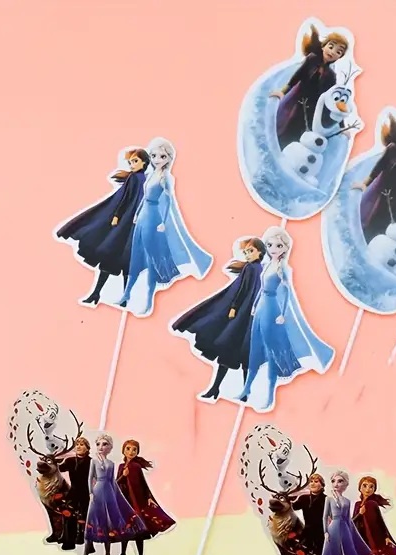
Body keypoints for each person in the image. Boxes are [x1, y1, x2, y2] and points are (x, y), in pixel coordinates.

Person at [239, 226, 334, 410]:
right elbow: (261, 288)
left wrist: (282, 314)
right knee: (254, 347)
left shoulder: (282, 268)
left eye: (278, 245)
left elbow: (287, 292)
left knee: (271, 351)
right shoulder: (267, 265)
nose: (273, 249)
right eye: (270, 245)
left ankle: (269, 395)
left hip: (271, 308)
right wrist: (254, 305)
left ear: (285, 248)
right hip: (261, 307)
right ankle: (246, 389)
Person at [118, 138, 212, 314]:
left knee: (151, 259)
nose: (156, 159)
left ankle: (148, 300)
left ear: (168, 158)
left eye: (162, 156)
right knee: (136, 255)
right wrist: (137, 213)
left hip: (153, 218)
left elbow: (168, 200)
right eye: (153, 155)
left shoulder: (165, 177)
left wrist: (163, 221)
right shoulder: (150, 175)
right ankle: (126, 294)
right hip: (143, 215)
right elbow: (144, 197)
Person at [171, 237, 265, 400]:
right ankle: (229, 390)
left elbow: (242, 290)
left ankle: (232, 390)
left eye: (251, 251)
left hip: (243, 317)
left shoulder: (252, 268)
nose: (248, 255)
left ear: (260, 252)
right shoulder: (258, 269)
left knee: (236, 351)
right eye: (245, 252)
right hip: (248, 317)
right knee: (238, 353)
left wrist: (234, 307)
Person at [56, 148, 150, 304]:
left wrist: (116, 215)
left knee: (115, 257)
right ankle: (111, 296)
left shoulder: (136, 179)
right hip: (131, 224)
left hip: (126, 224)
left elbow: (125, 200)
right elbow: (128, 199)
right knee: (123, 260)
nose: (132, 165)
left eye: (135, 161)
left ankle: (107, 295)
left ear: (144, 162)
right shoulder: (142, 179)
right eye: (130, 162)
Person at [271, 25, 349, 148]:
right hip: (295, 100)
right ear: (323, 46)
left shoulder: (331, 76)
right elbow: (296, 77)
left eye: (338, 52)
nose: (332, 52)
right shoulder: (311, 59)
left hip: (311, 110)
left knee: (300, 134)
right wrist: (283, 91)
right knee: (284, 126)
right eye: (331, 46)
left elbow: (332, 101)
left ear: (339, 57)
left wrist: (342, 127)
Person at [317, 470, 385, 555]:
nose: (336, 484)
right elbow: (325, 517)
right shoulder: (329, 499)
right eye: (334, 481)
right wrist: (325, 532)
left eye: (340, 481)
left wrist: (355, 536)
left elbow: (349, 520)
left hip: (345, 531)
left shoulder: (347, 501)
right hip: (332, 530)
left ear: (346, 484)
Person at [84, 433, 147, 555]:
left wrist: (117, 495)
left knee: (110, 522)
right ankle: (87, 550)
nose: (101, 447)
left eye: (105, 444)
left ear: (110, 447)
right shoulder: (94, 461)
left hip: (111, 493)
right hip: (98, 491)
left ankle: (109, 554)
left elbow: (114, 481)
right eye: (98, 444)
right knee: (94, 518)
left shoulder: (112, 464)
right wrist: (90, 492)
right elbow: (90, 478)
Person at [115, 439, 176, 555]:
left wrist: (148, 497)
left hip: (137, 502)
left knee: (139, 530)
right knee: (125, 529)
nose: (131, 452)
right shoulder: (121, 467)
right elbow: (116, 483)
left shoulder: (136, 467)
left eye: (134, 449)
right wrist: (123, 476)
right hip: (125, 502)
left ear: (137, 452)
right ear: (123, 450)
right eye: (128, 449)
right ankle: (123, 553)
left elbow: (143, 484)